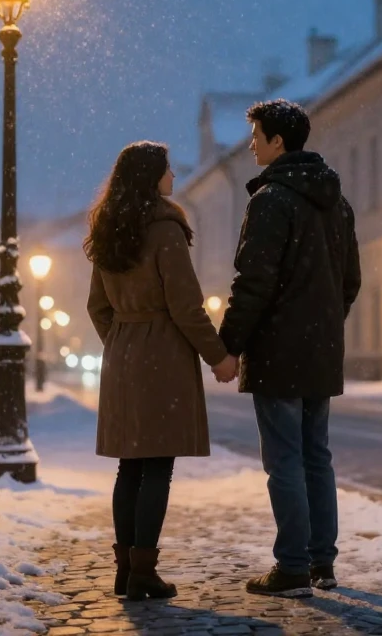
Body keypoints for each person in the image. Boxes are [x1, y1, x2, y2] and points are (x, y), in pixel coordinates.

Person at [219, 99, 360, 599]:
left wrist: (228, 345)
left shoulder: (270, 200)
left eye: (256, 136)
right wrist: (322, 325)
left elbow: (253, 282)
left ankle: (293, 567)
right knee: (317, 457)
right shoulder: (337, 202)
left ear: (277, 141)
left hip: (278, 352)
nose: (251, 145)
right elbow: (350, 282)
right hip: (320, 350)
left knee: (285, 461)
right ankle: (322, 562)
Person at [85, 141, 237, 602]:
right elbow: (186, 305)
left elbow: (97, 307)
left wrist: (123, 340)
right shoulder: (165, 228)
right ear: (151, 176)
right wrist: (219, 356)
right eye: (167, 169)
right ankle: (143, 572)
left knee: (129, 467)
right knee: (157, 467)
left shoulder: (108, 228)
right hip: (162, 356)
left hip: (122, 355)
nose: (173, 176)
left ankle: (125, 570)